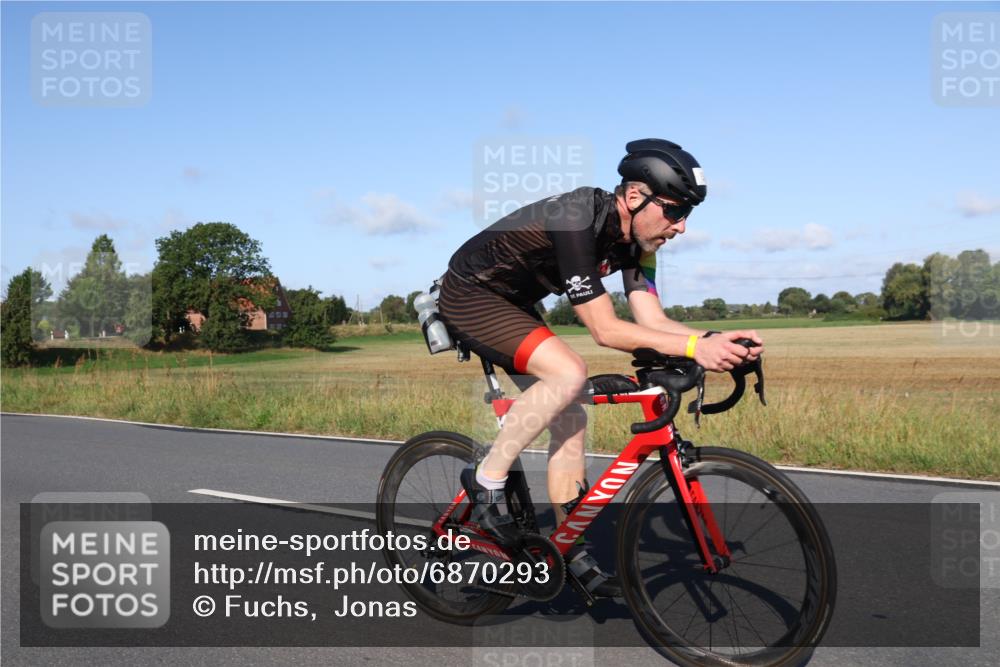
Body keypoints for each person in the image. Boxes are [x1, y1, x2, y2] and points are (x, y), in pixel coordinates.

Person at [437, 139, 764, 596]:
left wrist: (710, 342)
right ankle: (486, 479)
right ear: (634, 197)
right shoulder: (575, 219)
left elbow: (651, 320)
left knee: (570, 414)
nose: (682, 227)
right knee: (569, 372)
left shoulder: (639, 243)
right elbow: (606, 329)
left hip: (514, 302)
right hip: (471, 294)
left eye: (688, 214)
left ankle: (567, 547)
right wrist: (694, 346)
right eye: (674, 212)